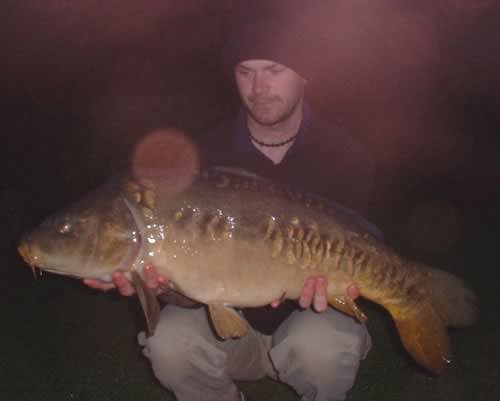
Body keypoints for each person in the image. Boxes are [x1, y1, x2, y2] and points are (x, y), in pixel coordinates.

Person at [85, 18, 376, 401]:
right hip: (229, 332)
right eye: (246, 72)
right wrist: (165, 285)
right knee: (169, 340)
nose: (259, 88)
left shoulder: (345, 156)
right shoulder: (203, 155)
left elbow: (362, 252)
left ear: (305, 75)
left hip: (310, 327)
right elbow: (191, 287)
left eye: (274, 70)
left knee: (321, 348)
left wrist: (345, 288)